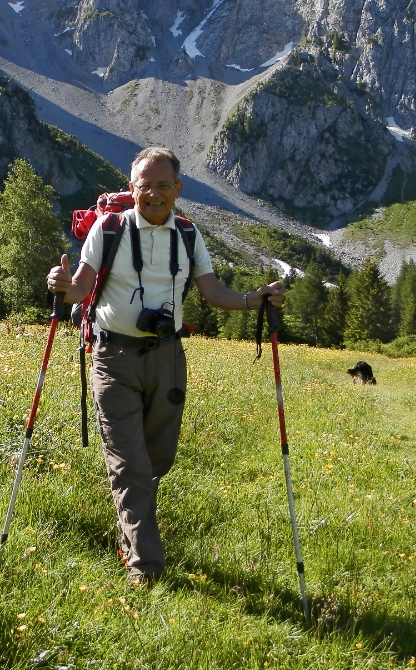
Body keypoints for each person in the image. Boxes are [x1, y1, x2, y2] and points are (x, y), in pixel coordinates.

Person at [47, 147, 284, 586]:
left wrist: (255, 298)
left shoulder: (189, 235)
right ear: (131, 188)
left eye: (162, 185)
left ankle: (129, 529)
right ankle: (146, 567)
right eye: (144, 185)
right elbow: (80, 285)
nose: (152, 193)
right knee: (129, 464)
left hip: (167, 358)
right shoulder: (109, 228)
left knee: (157, 457)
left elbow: (213, 292)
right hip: (113, 357)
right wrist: (62, 285)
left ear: (177, 190)